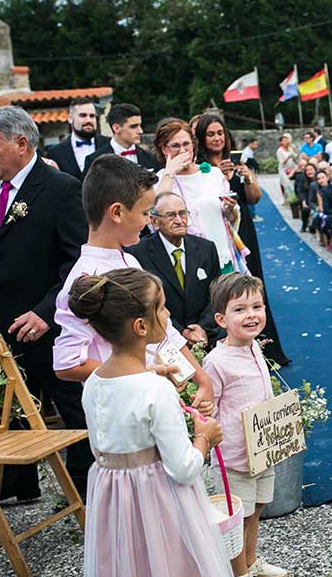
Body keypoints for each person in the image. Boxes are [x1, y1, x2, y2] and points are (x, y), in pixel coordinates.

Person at [68, 269, 241, 577]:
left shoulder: (94, 381)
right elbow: (183, 468)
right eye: (161, 309)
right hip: (157, 504)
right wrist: (205, 437)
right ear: (140, 327)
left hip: (114, 505)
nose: (168, 316)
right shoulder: (155, 390)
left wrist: (150, 374)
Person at [53, 155, 213, 499]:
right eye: (143, 213)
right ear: (116, 212)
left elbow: (164, 331)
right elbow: (66, 365)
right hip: (122, 413)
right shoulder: (84, 278)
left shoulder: (130, 259)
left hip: (151, 397)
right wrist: (143, 372)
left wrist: (200, 378)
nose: (147, 222)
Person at [0, 106, 88, 505]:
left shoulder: (61, 188)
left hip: (48, 325)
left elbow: (76, 261)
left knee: (72, 410)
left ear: (21, 143)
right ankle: (17, 482)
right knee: (7, 402)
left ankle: (85, 487)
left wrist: (46, 313)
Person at [203, 273, 290, 577]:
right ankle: (238, 575)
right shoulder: (216, 362)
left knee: (256, 510)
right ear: (222, 319)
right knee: (235, 516)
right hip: (234, 456)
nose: (251, 314)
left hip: (261, 450)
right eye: (240, 309)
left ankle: (250, 562)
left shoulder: (254, 347)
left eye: (257, 306)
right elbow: (211, 409)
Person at [193, 114, 291, 366]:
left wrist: (246, 175)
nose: (216, 138)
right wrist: (220, 179)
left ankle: (265, 349)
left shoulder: (238, 161)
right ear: (202, 139)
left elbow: (254, 197)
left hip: (242, 230)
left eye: (220, 133)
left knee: (253, 284)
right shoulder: (200, 167)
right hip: (217, 231)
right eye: (211, 134)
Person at [127, 192, 221, 347]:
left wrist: (203, 328)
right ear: (155, 222)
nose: (179, 220)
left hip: (206, 337)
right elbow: (144, 304)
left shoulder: (206, 248)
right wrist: (180, 332)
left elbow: (217, 294)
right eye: (170, 215)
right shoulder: (137, 254)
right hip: (163, 341)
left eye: (183, 213)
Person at [153, 119, 239, 273]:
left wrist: (229, 208)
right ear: (164, 149)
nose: (182, 151)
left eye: (186, 144)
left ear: (193, 145)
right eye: (175, 146)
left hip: (220, 254)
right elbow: (157, 213)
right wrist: (170, 172)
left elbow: (231, 218)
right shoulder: (160, 180)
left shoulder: (213, 174)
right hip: (186, 263)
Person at [83, 103, 160, 174]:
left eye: (140, 125)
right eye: (133, 126)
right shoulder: (94, 160)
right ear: (116, 128)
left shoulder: (150, 158)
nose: (140, 131)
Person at [47, 99, 111, 180]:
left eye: (92, 116)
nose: (88, 120)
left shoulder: (109, 144)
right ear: (70, 119)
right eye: (83, 115)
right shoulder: (55, 152)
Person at [275, 133, 298, 202]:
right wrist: (288, 157)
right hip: (283, 169)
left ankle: (293, 198)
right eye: (284, 141)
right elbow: (281, 162)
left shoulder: (289, 148)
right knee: (286, 184)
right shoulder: (279, 151)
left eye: (286, 140)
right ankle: (287, 200)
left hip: (291, 168)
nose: (285, 142)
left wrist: (293, 149)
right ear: (281, 142)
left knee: (292, 183)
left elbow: (295, 156)